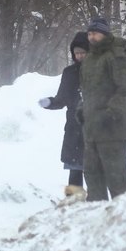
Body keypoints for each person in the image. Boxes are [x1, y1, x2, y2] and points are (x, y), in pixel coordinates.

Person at [77, 17, 126, 201]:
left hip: (113, 131)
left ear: (104, 33)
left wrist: (110, 113)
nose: (91, 36)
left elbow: (125, 90)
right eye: (89, 33)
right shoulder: (90, 59)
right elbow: (86, 90)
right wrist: (81, 108)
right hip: (92, 131)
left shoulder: (117, 55)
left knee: (117, 180)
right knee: (93, 178)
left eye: (95, 33)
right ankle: (97, 220)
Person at [38, 31, 89, 199]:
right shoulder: (69, 73)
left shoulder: (98, 71)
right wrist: (51, 103)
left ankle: (97, 202)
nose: (80, 56)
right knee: (75, 169)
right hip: (74, 127)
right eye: (77, 53)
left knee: (93, 169)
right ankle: (73, 203)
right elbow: (62, 99)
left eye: (83, 52)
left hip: (93, 126)